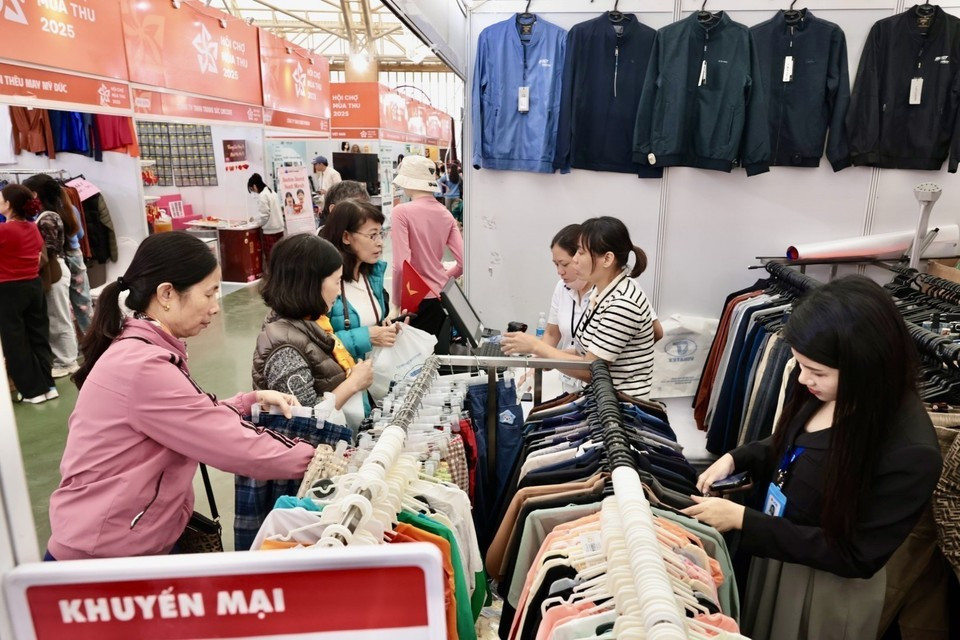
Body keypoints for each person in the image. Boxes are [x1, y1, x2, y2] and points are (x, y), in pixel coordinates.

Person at [687, 276, 942, 640]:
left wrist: (744, 520)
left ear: (866, 364)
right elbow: (792, 442)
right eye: (800, 365)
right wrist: (736, 457)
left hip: (824, 590)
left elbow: (857, 555)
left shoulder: (909, 451)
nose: (803, 378)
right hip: (775, 553)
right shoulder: (819, 388)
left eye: (817, 371)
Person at [46, 232, 315, 560]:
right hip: (106, 556)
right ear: (167, 294)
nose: (216, 307)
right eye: (209, 293)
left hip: (133, 538)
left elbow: (188, 413)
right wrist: (320, 461)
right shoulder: (142, 365)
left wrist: (247, 402)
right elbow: (231, 444)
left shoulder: (145, 348)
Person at [501, 216, 660, 399]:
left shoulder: (622, 304)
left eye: (581, 252)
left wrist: (537, 347)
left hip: (619, 411)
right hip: (599, 401)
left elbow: (591, 370)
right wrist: (544, 356)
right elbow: (584, 352)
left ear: (607, 259)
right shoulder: (601, 293)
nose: (575, 259)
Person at [253, 234, 373, 411]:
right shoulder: (285, 352)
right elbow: (304, 418)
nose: (339, 292)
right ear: (312, 285)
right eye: (337, 282)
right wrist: (354, 383)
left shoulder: (311, 323)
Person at [499, 224, 593, 394]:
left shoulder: (604, 293)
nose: (560, 271)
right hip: (569, 383)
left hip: (595, 387)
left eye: (564, 264)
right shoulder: (562, 288)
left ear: (581, 258)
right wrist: (535, 367)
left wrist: (537, 347)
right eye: (556, 264)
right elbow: (551, 333)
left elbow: (655, 331)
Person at [391, 155, 464, 350]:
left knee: (409, 363)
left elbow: (400, 266)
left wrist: (396, 303)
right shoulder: (445, 213)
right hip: (440, 298)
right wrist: (442, 278)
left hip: (413, 299)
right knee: (432, 358)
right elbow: (463, 262)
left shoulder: (401, 212)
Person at [320, 199, 399, 361]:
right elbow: (316, 343)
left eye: (380, 234)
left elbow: (373, 325)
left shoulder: (372, 275)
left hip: (374, 375)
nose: (380, 243)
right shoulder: (325, 283)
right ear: (346, 237)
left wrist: (389, 328)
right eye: (372, 235)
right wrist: (367, 337)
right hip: (345, 379)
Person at [0, 184, 54, 404]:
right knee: (39, 335)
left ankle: (32, 391)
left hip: (8, 289)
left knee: (15, 340)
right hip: (33, 285)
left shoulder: (4, 231)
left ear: (9, 204)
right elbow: (40, 256)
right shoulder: (32, 228)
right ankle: (48, 385)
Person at [24, 173, 79, 380]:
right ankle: (64, 358)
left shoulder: (48, 217)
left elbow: (50, 248)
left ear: (36, 193)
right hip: (53, 269)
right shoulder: (48, 215)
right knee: (55, 315)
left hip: (54, 270)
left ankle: (67, 360)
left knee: (59, 317)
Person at [63, 197, 92, 333]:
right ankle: (92, 340)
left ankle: (74, 343)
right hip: (74, 255)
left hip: (56, 260)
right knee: (83, 303)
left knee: (61, 307)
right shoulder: (71, 208)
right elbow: (80, 234)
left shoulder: (40, 213)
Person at [247, 173, 285, 261]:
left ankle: (273, 274)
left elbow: (265, 216)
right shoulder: (272, 192)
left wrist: (256, 222)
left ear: (255, 186)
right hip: (279, 228)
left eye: (252, 189)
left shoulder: (262, 195)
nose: (254, 192)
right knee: (280, 257)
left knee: (271, 258)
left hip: (270, 232)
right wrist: (255, 218)